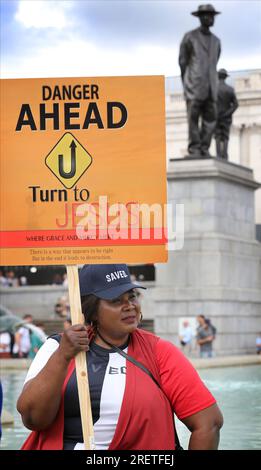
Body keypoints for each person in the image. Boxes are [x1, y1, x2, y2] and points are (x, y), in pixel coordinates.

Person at [17, 264, 223, 450]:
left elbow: (208, 424)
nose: (130, 305)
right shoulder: (56, 347)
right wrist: (62, 356)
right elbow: (33, 419)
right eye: (116, 300)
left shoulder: (160, 352)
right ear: (92, 310)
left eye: (132, 296)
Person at [179, 4, 221, 158]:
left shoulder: (217, 41)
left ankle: (204, 147)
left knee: (211, 118)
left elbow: (215, 61)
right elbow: (183, 62)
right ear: (201, 17)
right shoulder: (189, 37)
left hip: (211, 86)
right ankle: (194, 148)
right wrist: (187, 83)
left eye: (212, 16)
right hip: (194, 85)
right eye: (208, 15)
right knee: (193, 118)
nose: (211, 18)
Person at [215, 68, 238, 159]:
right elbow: (236, 105)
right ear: (225, 77)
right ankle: (225, 155)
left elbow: (210, 103)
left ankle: (218, 154)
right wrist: (228, 113)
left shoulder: (214, 89)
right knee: (225, 136)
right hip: (226, 118)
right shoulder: (230, 89)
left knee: (217, 136)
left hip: (216, 117)